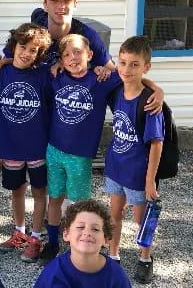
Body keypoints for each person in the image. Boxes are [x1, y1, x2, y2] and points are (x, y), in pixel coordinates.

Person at [38, 34, 164, 266]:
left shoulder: (102, 80)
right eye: (66, 55)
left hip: (80, 156)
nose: (72, 58)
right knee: (54, 198)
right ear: (61, 60)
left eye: (77, 52)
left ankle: (77, 245)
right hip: (53, 150)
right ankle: (54, 242)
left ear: (90, 55)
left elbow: (131, 76)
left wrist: (157, 89)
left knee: (79, 204)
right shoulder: (56, 77)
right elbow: (30, 67)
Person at [0, 23, 52, 263]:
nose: (27, 53)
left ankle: (35, 237)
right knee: (16, 191)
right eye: (23, 46)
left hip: (38, 146)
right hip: (11, 145)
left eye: (33, 50)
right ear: (14, 46)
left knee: (40, 191)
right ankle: (19, 232)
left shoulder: (45, 74)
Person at [104, 35, 164, 284]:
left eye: (135, 64)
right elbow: (102, 67)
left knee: (142, 219)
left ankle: (145, 258)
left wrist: (150, 180)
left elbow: (156, 144)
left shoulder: (150, 103)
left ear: (146, 67)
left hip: (138, 174)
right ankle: (113, 255)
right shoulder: (115, 90)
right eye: (123, 62)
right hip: (116, 168)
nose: (127, 69)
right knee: (114, 213)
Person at [34, 200, 131, 287]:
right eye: (80, 227)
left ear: (105, 240)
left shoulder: (117, 277)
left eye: (95, 229)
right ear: (67, 234)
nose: (87, 233)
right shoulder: (53, 275)